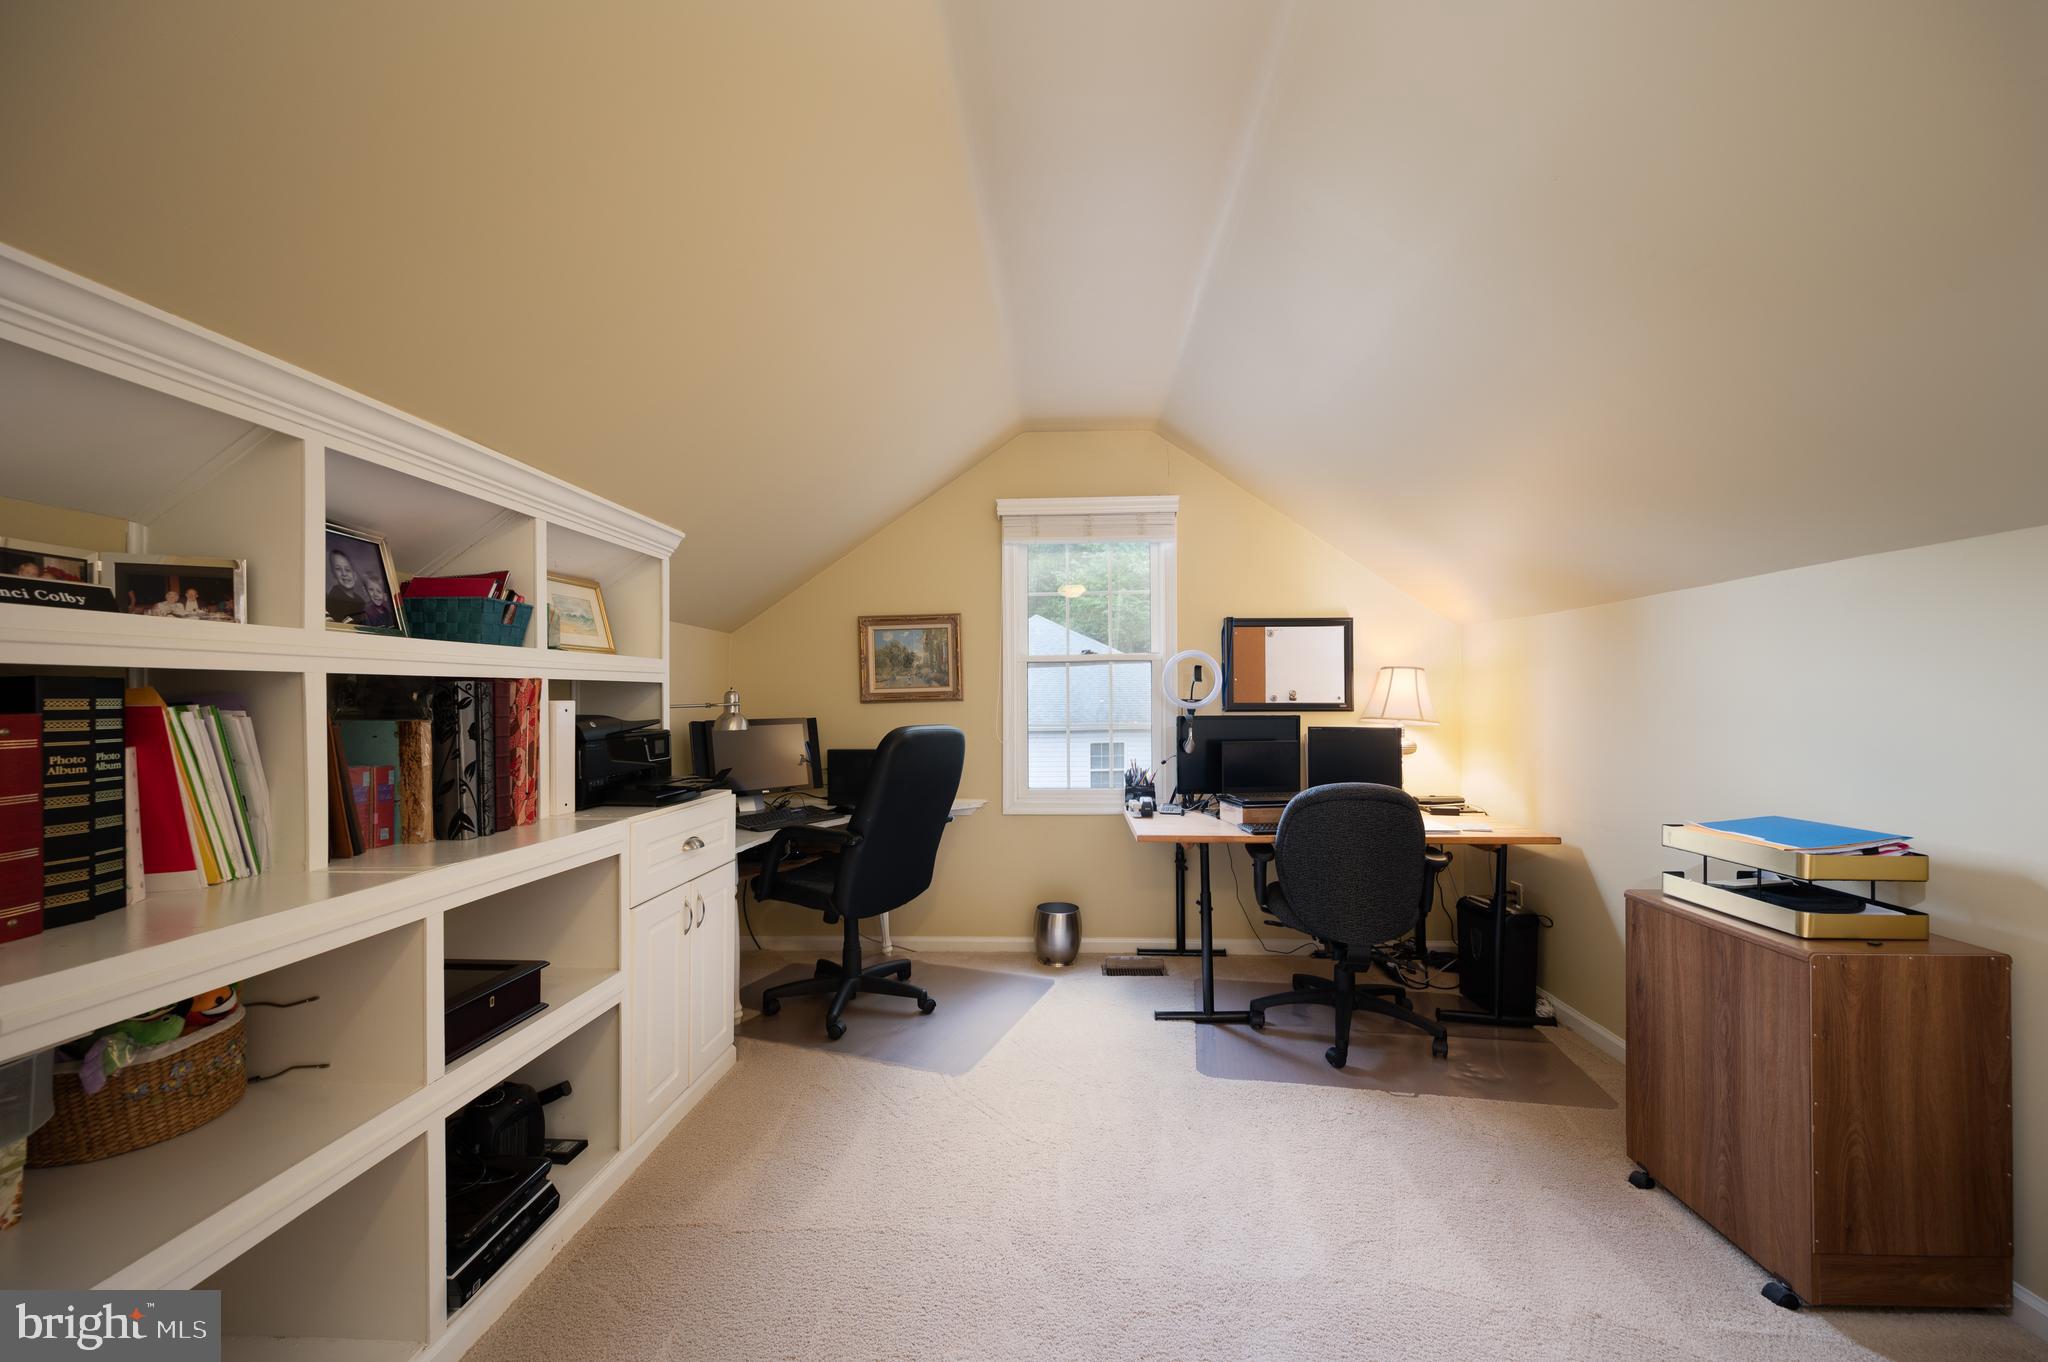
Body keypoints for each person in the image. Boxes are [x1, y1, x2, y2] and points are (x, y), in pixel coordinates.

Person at [326, 547, 366, 622]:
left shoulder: (360, 601)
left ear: (355, 575)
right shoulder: (333, 600)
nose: (344, 573)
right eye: (338, 569)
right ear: (334, 575)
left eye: (347, 569)